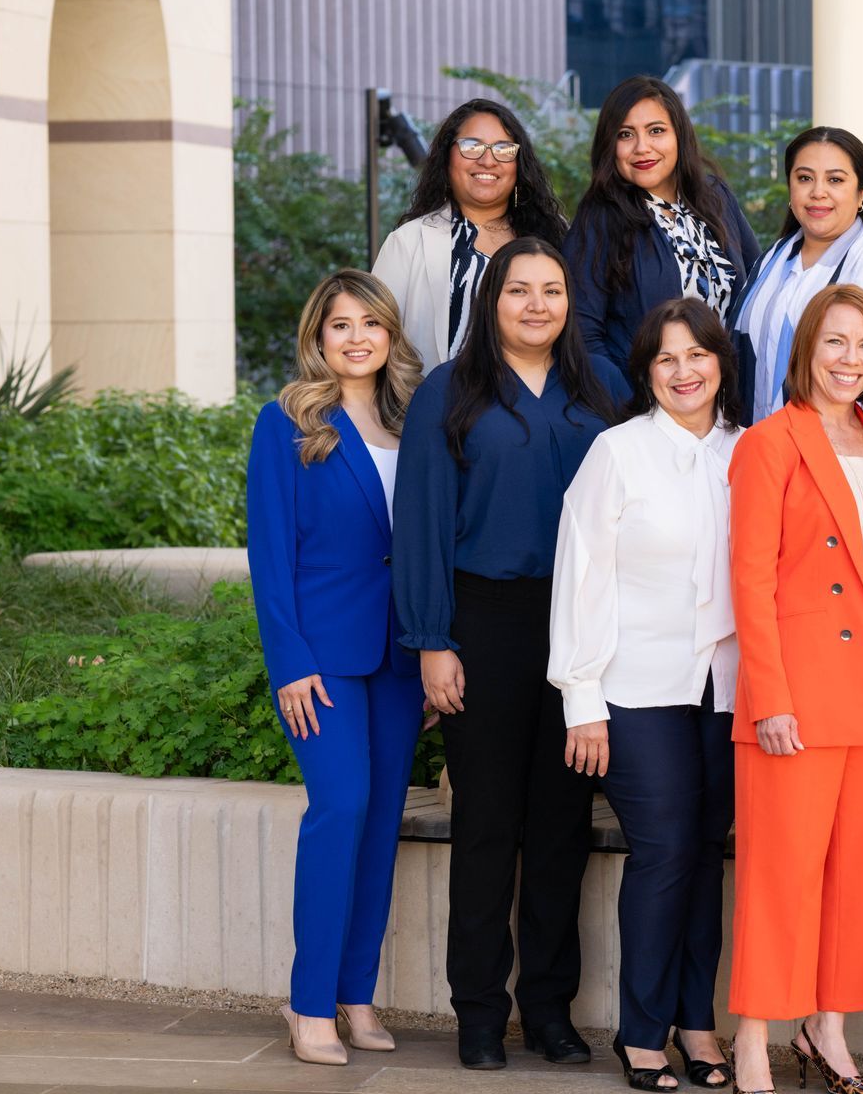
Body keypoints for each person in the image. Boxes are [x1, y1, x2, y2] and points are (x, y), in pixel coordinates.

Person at [393, 237, 629, 1071]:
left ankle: (551, 1012)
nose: (537, 304)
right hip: (484, 622)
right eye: (519, 289)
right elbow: (418, 521)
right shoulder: (449, 392)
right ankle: (481, 1014)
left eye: (553, 289)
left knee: (564, 828)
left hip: (579, 630)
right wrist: (432, 642)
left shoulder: (602, 388)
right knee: (488, 826)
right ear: (491, 299)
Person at [724, 285, 863, 1094]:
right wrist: (769, 695)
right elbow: (751, 580)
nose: (850, 360)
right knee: (782, 871)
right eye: (836, 342)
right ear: (805, 348)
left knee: (856, 873)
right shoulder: (770, 443)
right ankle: (753, 1038)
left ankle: (828, 1028)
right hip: (799, 693)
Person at [549, 299, 744, 1092]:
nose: (684, 371)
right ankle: (641, 1033)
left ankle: (698, 1025)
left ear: (721, 363)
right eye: (665, 359)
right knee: (664, 852)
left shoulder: (750, 451)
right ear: (646, 372)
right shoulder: (616, 453)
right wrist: (582, 697)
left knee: (705, 857)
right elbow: (580, 574)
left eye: (697, 355)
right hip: (636, 690)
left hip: (728, 690)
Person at [245, 269, 427, 1067]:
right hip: (320, 661)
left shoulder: (413, 422)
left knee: (381, 824)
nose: (356, 338)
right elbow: (269, 555)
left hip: (397, 658)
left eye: (371, 324)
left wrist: (430, 654)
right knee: (341, 808)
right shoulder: (287, 422)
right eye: (339, 325)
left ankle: (357, 994)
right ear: (318, 338)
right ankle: (310, 999)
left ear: (390, 334)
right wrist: (289, 662)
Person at [731, 126, 863, 430]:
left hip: (840, 460)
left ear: (862, 192)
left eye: (835, 180)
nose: (818, 192)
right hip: (763, 453)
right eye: (804, 178)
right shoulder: (772, 260)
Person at [565, 75, 762, 372]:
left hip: (727, 400)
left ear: (679, 136)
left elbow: (757, 290)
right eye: (625, 134)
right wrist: (624, 404)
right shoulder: (600, 217)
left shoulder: (715, 197)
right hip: (644, 405)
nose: (642, 147)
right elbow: (582, 331)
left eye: (656, 131)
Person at [373, 97, 570, 372]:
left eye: (503, 148)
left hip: (536, 405)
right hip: (440, 409)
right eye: (472, 146)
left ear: (518, 163)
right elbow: (373, 339)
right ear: (447, 157)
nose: (488, 160)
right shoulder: (407, 243)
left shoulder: (556, 236)